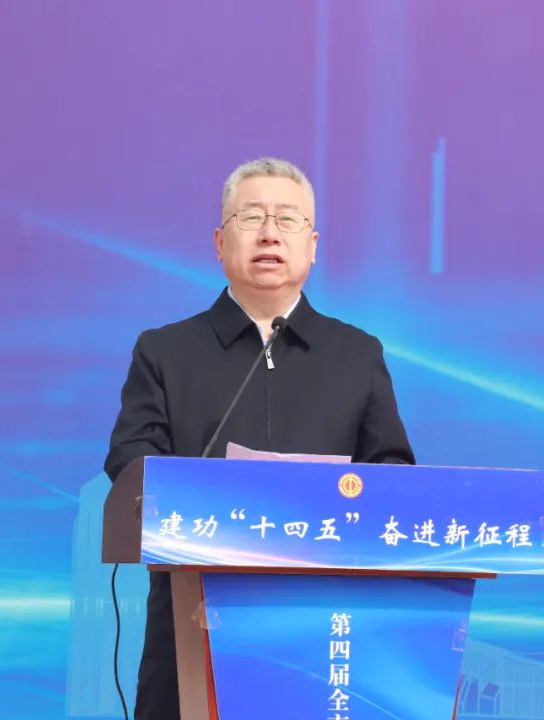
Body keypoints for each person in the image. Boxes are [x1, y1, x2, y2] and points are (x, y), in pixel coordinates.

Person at [103, 157, 415, 719]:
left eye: (287, 219)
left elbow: (392, 473)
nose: (270, 233)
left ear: (312, 246)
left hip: (321, 627)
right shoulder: (165, 351)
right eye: (251, 217)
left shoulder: (357, 354)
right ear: (220, 242)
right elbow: (130, 460)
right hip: (191, 623)